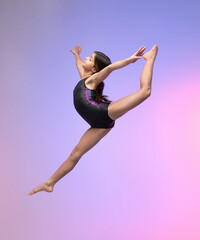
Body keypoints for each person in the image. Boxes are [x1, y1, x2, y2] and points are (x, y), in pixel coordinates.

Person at [28, 44, 158, 195]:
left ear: (95, 69)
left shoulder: (93, 79)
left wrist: (129, 60)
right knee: (75, 154)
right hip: (99, 124)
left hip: (103, 113)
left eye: (90, 58)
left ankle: (149, 58)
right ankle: (49, 183)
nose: (86, 58)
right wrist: (76, 54)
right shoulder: (84, 77)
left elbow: (109, 68)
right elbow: (79, 64)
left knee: (144, 92)